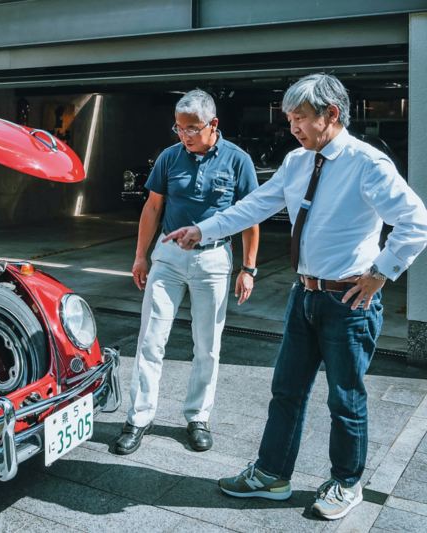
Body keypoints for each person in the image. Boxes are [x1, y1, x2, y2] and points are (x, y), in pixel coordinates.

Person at [164, 73, 427, 520]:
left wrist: (381, 273)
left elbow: (415, 221)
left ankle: (346, 482)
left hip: (348, 302)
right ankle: (272, 475)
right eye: (289, 119)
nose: (293, 128)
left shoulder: (367, 164)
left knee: (345, 397)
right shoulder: (298, 161)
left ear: (332, 114)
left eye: (300, 118)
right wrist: (203, 230)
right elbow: (258, 205)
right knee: (286, 389)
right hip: (303, 295)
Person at [113, 89, 260, 456]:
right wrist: (140, 256)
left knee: (207, 345)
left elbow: (250, 218)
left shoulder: (238, 161)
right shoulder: (169, 157)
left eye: (192, 128)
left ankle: (198, 417)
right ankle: (139, 417)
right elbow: (152, 208)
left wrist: (248, 268)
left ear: (213, 124)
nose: (184, 135)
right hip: (167, 257)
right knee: (150, 339)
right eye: (179, 128)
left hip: (213, 261)